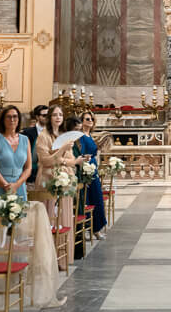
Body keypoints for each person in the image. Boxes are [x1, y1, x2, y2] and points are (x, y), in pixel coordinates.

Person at [35, 105, 81, 266]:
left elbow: (72, 160)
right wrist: (61, 151)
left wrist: (65, 159)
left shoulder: (64, 135)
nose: (58, 117)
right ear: (49, 118)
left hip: (65, 178)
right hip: (49, 179)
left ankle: (63, 259)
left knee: (64, 216)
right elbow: (45, 160)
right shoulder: (43, 136)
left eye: (61, 114)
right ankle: (48, 260)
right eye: (55, 115)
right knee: (50, 216)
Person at [0, 105, 31, 219]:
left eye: (15, 117)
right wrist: (6, 186)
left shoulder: (25, 140)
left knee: (18, 225)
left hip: (19, 186)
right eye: (8, 117)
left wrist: (17, 185)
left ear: (19, 119)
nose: (12, 120)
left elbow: (28, 167)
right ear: (2, 120)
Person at [78, 112, 107, 237]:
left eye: (92, 119)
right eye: (87, 119)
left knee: (97, 198)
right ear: (82, 121)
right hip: (85, 169)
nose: (90, 121)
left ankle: (96, 228)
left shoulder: (90, 135)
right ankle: (87, 228)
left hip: (93, 168)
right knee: (87, 198)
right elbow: (81, 152)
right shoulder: (80, 136)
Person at [22, 103, 47, 184]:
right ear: (37, 117)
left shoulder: (53, 132)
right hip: (32, 173)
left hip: (47, 173)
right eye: (44, 115)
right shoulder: (27, 132)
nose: (47, 118)